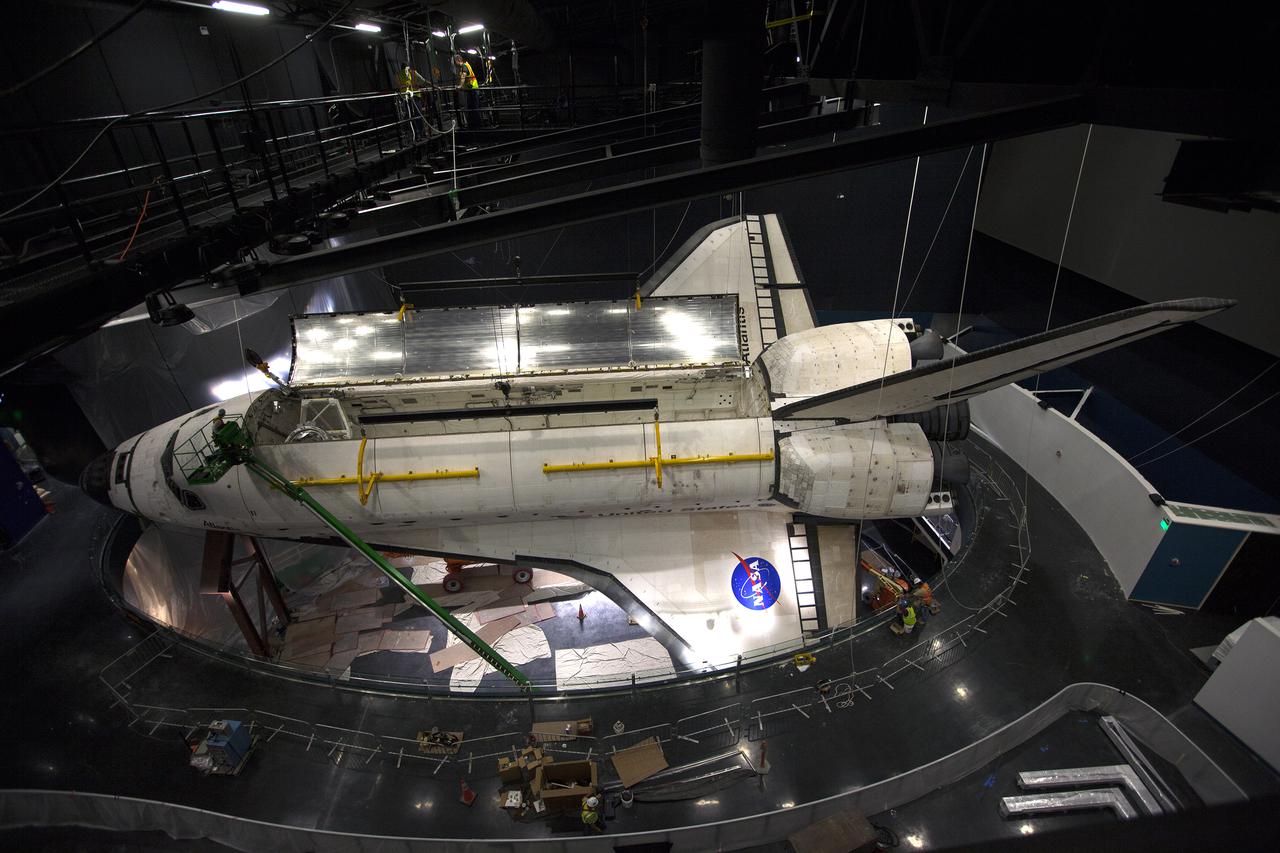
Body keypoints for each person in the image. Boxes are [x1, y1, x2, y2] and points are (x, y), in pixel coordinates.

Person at [453, 54, 481, 128]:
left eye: (455, 62)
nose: (455, 64)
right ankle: (474, 125)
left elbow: (463, 76)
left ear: (458, 60)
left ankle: (476, 126)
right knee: (472, 108)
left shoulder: (464, 66)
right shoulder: (466, 65)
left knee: (474, 108)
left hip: (472, 90)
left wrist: (460, 86)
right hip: (471, 90)